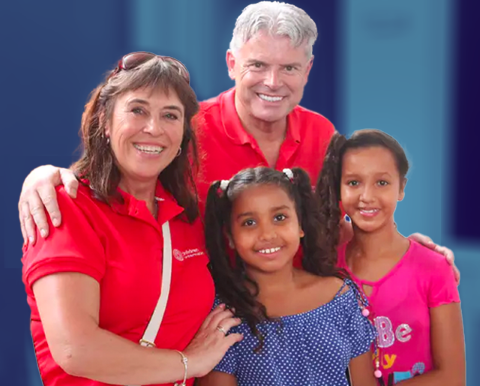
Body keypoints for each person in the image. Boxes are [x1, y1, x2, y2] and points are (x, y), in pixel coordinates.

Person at [17, 2, 457, 270]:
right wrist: (44, 174)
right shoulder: (184, 129)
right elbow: (114, 178)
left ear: (307, 70)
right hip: (209, 318)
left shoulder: (322, 133)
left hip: (301, 315)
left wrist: (399, 249)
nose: (273, 82)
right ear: (231, 63)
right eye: (258, 66)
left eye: (289, 68)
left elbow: (337, 225)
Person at [21, 52, 243, 386]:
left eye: (170, 116)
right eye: (138, 110)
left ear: (183, 136)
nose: (153, 129)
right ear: (105, 122)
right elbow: (75, 350)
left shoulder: (191, 213)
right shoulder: (65, 206)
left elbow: (286, 214)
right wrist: (189, 363)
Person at [198, 167, 377, 386]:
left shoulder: (338, 296)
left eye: (279, 217)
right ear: (230, 237)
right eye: (249, 222)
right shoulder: (226, 316)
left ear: (300, 224)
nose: (267, 234)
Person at [315, 130, 466, 385]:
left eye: (381, 183)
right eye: (353, 182)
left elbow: (452, 376)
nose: (367, 196)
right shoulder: (327, 268)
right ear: (338, 189)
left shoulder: (434, 269)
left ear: (401, 188)